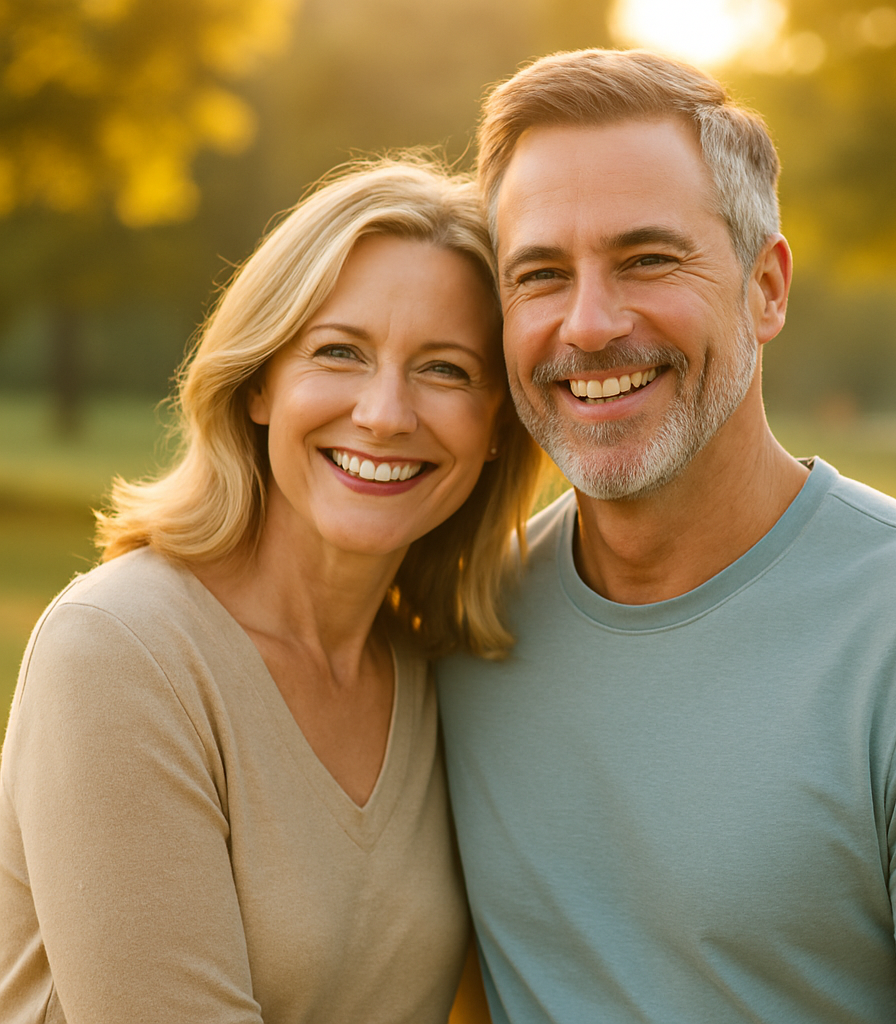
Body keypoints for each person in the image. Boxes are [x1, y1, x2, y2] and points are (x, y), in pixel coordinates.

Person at [437, 49, 896, 1024]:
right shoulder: (461, 631)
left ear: (766, 287)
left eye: (647, 258)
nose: (587, 324)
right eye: (539, 273)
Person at [0, 158, 539, 1023]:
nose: (385, 413)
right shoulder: (120, 650)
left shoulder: (439, 675)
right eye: (339, 352)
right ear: (260, 382)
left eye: (444, 369)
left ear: (494, 430)